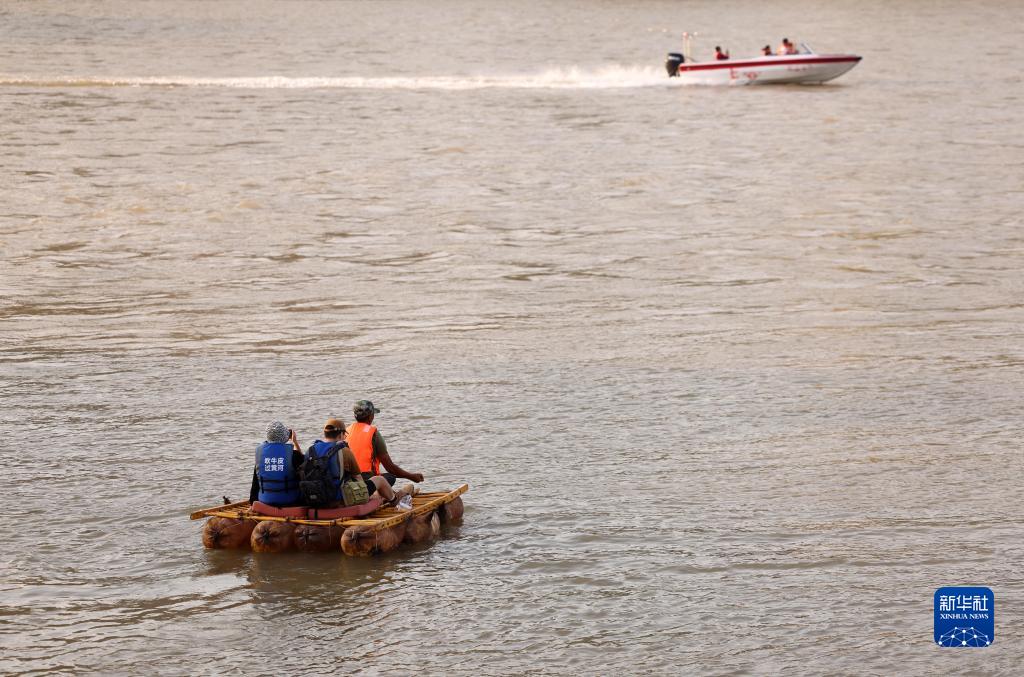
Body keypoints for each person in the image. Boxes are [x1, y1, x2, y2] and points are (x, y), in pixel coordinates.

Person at [307, 417, 404, 506]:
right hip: (339, 498)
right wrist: (368, 495)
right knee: (380, 480)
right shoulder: (343, 450)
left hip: (316, 497)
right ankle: (395, 501)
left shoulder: (311, 450)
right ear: (341, 434)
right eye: (345, 435)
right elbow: (358, 478)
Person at [346, 400, 425, 490]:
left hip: (348, 481)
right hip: (365, 481)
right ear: (371, 416)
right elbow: (390, 468)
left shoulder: (346, 431)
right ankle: (379, 495)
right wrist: (411, 476)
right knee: (390, 477)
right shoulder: (373, 433)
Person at [250, 421, 304, 506]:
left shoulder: (260, 454)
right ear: (284, 436)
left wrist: (253, 503)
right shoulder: (294, 455)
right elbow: (305, 467)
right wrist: (295, 442)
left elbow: (255, 484)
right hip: (290, 501)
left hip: (265, 500)